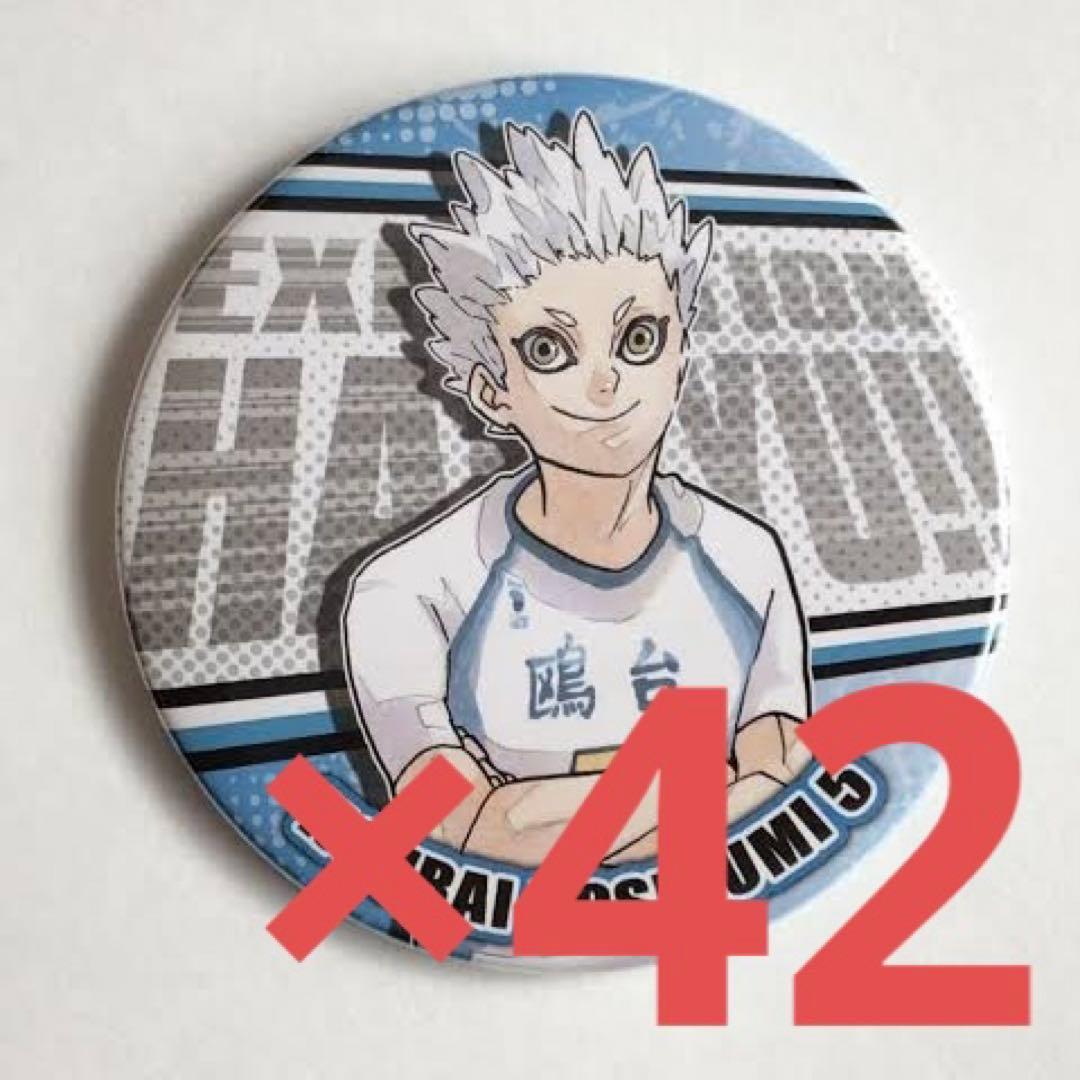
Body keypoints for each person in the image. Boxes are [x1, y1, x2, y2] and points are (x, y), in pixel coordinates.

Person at [342, 111, 811, 867]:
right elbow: (454, 825)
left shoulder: (746, 558)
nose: (605, 382)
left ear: (681, 355)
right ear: (491, 391)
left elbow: (784, 785)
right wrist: (710, 787)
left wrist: (536, 809)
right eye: (549, 349)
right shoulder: (408, 588)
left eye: (639, 338)